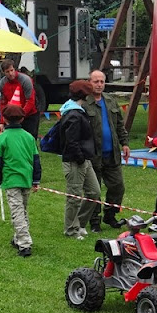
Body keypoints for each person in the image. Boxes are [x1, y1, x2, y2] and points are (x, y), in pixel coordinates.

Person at [83, 69, 130, 232]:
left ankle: (110, 215)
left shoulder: (110, 101)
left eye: (102, 81)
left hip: (112, 154)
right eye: (95, 81)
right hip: (93, 155)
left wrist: (124, 143)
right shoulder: (84, 103)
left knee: (118, 186)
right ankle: (94, 221)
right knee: (94, 190)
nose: (99, 85)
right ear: (89, 82)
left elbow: (119, 125)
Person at [0, 104, 41, 257]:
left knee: (17, 211)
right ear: (22, 119)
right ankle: (18, 238)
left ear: (4, 119)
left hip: (11, 179)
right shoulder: (29, 137)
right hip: (26, 178)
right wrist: (36, 180)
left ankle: (24, 244)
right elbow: (36, 160)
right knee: (22, 209)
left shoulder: (2, 138)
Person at [60, 80, 101, 240]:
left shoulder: (78, 111)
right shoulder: (73, 114)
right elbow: (71, 141)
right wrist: (80, 158)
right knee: (74, 197)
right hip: (75, 161)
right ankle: (71, 229)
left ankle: (80, 223)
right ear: (84, 95)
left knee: (94, 192)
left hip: (84, 159)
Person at [0, 59, 39, 139]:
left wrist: (21, 115)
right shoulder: (2, 83)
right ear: (3, 72)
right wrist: (2, 122)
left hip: (30, 115)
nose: (10, 73)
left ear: (15, 69)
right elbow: (3, 103)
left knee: (30, 138)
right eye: (7, 72)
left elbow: (30, 101)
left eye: (11, 70)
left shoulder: (25, 80)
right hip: (13, 116)